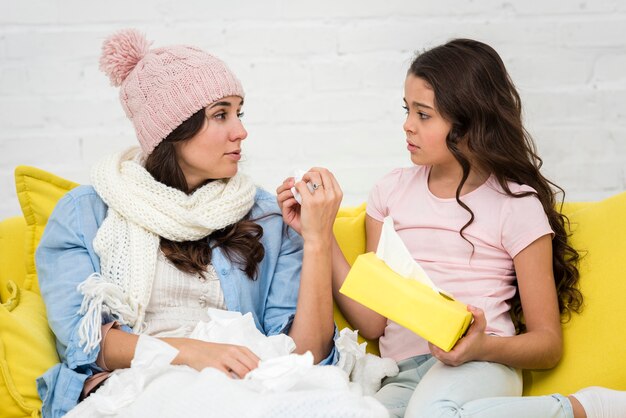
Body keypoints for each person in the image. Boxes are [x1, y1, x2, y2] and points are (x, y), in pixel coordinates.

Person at [277, 38, 626, 418]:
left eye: (423, 115)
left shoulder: (516, 205)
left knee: (432, 415)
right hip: (405, 373)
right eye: (407, 110)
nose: (407, 125)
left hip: (484, 364)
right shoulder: (390, 192)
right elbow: (373, 322)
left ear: (469, 122)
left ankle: (585, 407)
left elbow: (546, 345)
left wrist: (479, 348)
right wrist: (321, 232)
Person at [35, 29, 342, 418]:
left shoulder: (265, 213)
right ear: (172, 130)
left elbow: (306, 356)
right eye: (220, 115)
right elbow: (88, 343)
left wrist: (317, 240)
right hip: (142, 384)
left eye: (239, 112)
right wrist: (193, 353)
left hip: (250, 383)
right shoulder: (86, 213)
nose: (241, 131)